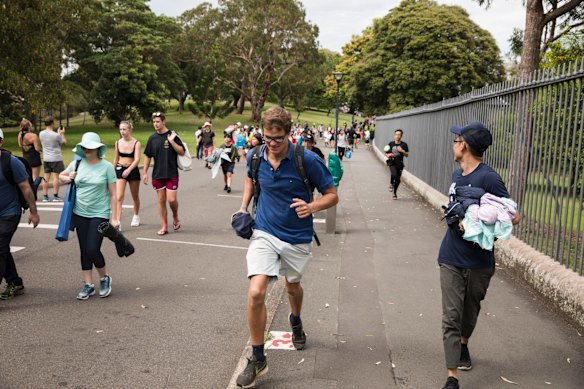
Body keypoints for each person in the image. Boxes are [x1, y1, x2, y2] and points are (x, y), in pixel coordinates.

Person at [235, 107, 338, 388]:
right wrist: (243, 207)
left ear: (288, 134)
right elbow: (248, 179)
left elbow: (332, 195)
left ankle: (296, 319)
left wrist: (312, 206)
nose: (273, 143)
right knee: (256, 292)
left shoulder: (306, 160)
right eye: (268, 137)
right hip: (265, 232)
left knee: (292, 286)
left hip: (297, 237)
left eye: (278, 137)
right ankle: (258, 358)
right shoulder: (257, 156)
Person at [438, 122, 520, 389]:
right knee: (450, 315)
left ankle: (464, 343)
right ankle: (452, 377)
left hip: (479, 261)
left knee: (469, 313)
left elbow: (513, 216)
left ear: (464, 145)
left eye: (456, 140)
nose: (453, 144)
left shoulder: (489, 178)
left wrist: (478, 223)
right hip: (450, 255)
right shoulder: (456, 174)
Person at [59, 132, 117, 300]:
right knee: (84, 249)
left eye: (90, 148)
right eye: (84, 147)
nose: (87, 150)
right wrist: (68, 177)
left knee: (92, 248)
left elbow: (113, 194)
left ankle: (104, 278)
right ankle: (88, 285)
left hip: (100, 212)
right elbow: (61, 176)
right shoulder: (77, 163)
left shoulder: (107, 167)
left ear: (98, 149)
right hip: (79, 212)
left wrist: (114, 217)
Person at [0, 129, 40, 300]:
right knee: (2, 248)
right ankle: (15, 281)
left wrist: (34, 212)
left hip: (10, 212)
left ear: (1, 142)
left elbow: (26, 188)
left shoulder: (12, 162)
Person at [142, 112, 185, 236]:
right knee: (161, 200)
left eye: (158, 121)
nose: (155, 124)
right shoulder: (152, 138)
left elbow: (181, 152)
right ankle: (164, 226)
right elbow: (148, 156)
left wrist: (171, 141)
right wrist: (144, 172)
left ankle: (175, 216)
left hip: (171, 173)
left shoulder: (173, 135)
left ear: (164, 121)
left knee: (171, 200)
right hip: (158, 174)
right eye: (154, 122)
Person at [113, 121, 141, 230]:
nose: (122, 132)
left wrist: (129, 170)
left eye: (124, 129)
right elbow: (116, 159)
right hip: (120, 168)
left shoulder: (136, 143)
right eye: (121, 129)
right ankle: (118, 222)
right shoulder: (117, 142)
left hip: (132, 170)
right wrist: (112, 170)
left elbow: (137, 159)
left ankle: (136, 216)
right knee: (119, 197)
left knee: (135, 196)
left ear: (129, 130)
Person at [39, 116, 67, 202]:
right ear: (52, 123)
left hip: (46, 158)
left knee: (46, 177)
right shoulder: (56, 135)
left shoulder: (41, 133)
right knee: (56, 177)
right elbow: (64, 143)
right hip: (56, 158)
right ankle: (55, 196)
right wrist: (62, 134)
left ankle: (45, 196)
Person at [385, 129, 409, 200]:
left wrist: (402, 151)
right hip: (392, 162)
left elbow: (407, 155)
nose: (397, 136)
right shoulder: (391, 143)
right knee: (394, 174)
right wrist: (388, 155)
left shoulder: (404, 144)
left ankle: (394, 193)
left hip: (400, 164)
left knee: (398, 180)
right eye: (396, 134)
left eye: (399, 134)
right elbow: (386, 151)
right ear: (394, 135)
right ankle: (391, 183)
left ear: (401, 136)